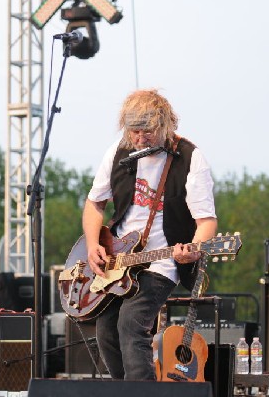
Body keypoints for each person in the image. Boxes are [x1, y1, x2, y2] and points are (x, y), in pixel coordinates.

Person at [82, 89, 217, 380]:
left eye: (148, 132)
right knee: (105, 328)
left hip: (162, 260)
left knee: (131, 323)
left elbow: (206, 221)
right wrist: (93, 244)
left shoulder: (190, 158)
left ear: (166, 125)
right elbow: (95, 204)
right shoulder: (119, 152)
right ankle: (125, 388)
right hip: (119, 257)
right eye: (134, 132)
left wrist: (194, 247)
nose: (140, 139)